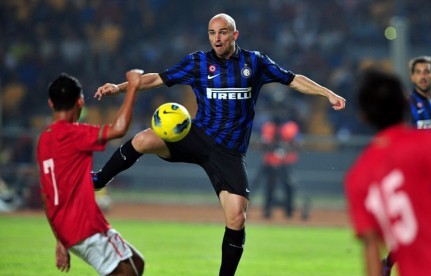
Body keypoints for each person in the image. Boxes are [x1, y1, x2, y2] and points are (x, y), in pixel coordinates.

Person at [92, 13, 346, 275]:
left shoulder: (255, 62)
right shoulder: (198, 62)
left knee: (237, 217)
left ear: (234, 35)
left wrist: (328, 93)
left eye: (223, 32)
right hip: (197, 136)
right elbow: (157, 78)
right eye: (212, 33)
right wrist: (120, 87)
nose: (217, 38)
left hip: (229, 152)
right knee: (144, 139)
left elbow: (293, 79)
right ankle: (100, 179)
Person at [344, 69, 431, 276]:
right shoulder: (429, 143)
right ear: (405, 104)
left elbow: (371, 248)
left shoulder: (358, 175)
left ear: (363, 117)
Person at [37, 71, 145, 275]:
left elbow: (46, 194)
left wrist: (60, 240)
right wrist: (132, 87)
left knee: (137, 264)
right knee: (128, 272)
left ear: (51, 104)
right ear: (80, 102)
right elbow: (119, 129)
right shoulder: (74, 134)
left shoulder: (45, 139)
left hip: (67, 227)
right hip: (83, 225)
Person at [381, 55, 431, 275]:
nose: (423, 76)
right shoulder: (407, 105)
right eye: (418, 72)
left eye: (427, 72)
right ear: (412, 76)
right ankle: (390, 262)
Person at [254, 114, 300, 219]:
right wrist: (274, 148)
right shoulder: (268, 127)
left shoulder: (290, 127)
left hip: (286, 162)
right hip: (270, 161)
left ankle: (289, 211)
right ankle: (267, 211)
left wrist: (285, 149)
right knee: (270, 186)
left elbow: (296, 144)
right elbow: (263, 144)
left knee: (289, 186)